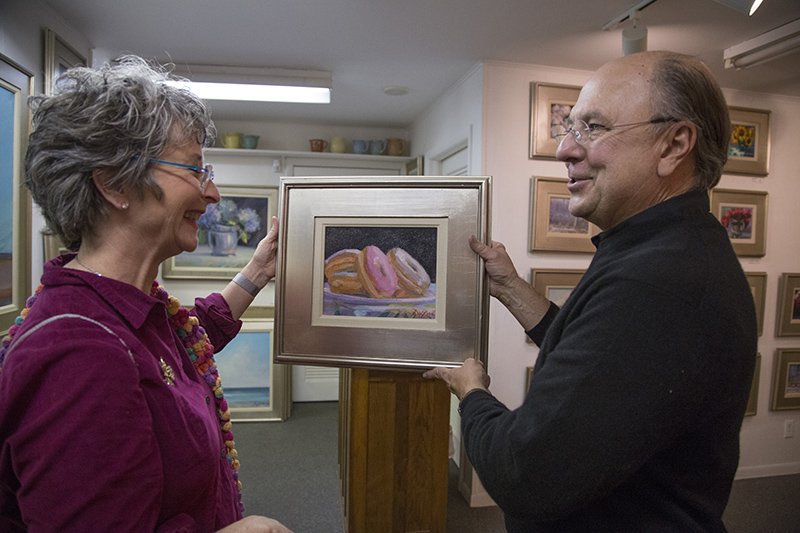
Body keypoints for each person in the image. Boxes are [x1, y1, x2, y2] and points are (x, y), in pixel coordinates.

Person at [424, 50, 757, 532]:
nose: (565, 150)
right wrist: (512, 289)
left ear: (674, 145)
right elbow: (605, 356)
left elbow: (523, 473)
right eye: (570, 128)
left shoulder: (659, 282)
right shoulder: (669, 249)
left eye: (593, 128)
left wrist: (471, 390)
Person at [0, 56, 292, 532]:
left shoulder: (124, 307)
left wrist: (258, 270)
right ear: (115, 183)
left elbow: (189, 343)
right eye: (196, 170)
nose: (212, 192)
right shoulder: (79, 356)